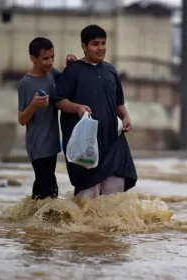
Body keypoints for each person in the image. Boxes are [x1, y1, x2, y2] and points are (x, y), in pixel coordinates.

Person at [54, 24, 138, 198]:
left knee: (113, 196)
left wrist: (125, 116)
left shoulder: (110, 70)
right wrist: (77, 108)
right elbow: (59, 101)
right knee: (87, 198)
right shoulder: (73, 70)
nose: (100, 48)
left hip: (110, 143)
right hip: (85, 145)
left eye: (103, 43)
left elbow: (118, 102)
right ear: (84, 46)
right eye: (95, 44)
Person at [17, 37, 77, 200]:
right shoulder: (26, 83)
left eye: (52, 57)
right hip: (37, 145)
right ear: (33, 59)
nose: (50, 62)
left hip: (52, 143)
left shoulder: (52, 74)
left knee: (45, 186)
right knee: (49, 186)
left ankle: (32, 220)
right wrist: (33, 105)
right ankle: (40, 220)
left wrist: (70, 66)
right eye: (45, 58)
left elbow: (67, 81)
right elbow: (22, 120)